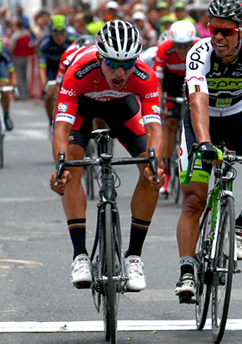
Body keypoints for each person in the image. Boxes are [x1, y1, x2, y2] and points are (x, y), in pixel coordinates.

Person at [174, 0, 242, 302]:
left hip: (235, 120)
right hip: (199, 123)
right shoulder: (200, 52)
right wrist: (204, 143)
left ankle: (241, 225)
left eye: (226, 32)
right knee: (194, 198)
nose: (217, 37)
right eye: (213, 29)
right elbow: (197, 102)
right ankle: (187, 270)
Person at [49, 20, 165, 292]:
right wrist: (60, 164)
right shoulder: (79, 70)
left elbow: (154, 128)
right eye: (113, 63)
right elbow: (62, 126)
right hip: (83, 108)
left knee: (153, 174)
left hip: (121, 108)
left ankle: (134, 257)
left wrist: (154, 162)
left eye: (128, 64)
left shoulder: (144, 75)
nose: (121, 72)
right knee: (71, 169)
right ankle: (80, 256)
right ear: (100, 56)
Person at [153, 20, 199, 196]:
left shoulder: (199, 46)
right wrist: (159, 104)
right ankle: (166, 171)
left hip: (191, 80)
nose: (182, 50)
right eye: (178, 45)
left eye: (186, 45)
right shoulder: (164, 49)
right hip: (171, 83)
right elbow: (157, 81)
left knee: (195, 122)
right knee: (170, 124)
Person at [37, 14, 76, 128]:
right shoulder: (45, 43)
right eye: (55, 34)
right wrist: (44, 84)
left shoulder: (74, 39)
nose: (59, 37)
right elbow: (41, 67)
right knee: (49, 94)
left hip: (69, 68)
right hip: (52, 69)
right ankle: (50, 119)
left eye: (62, 33)